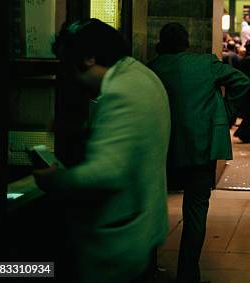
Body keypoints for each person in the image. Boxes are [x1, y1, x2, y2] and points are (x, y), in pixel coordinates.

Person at [34, 19, 170, 283]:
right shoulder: (140, 75)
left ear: (86, 59)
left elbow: (106, 172)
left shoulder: (121, 92)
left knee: (3, 269)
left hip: (115, 242)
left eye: (66, 65)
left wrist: (54, 179)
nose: (69, 76)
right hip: (141, 226)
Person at [148, 23, 250, 283]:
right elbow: (241, 81)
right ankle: (188, 271)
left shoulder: (152, 68)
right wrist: (226, 112)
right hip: (201, 145)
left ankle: (148, 266)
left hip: (162, 147)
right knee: (195, 210)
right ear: (187, 41)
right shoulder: (206, 64)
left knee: (152, 206)